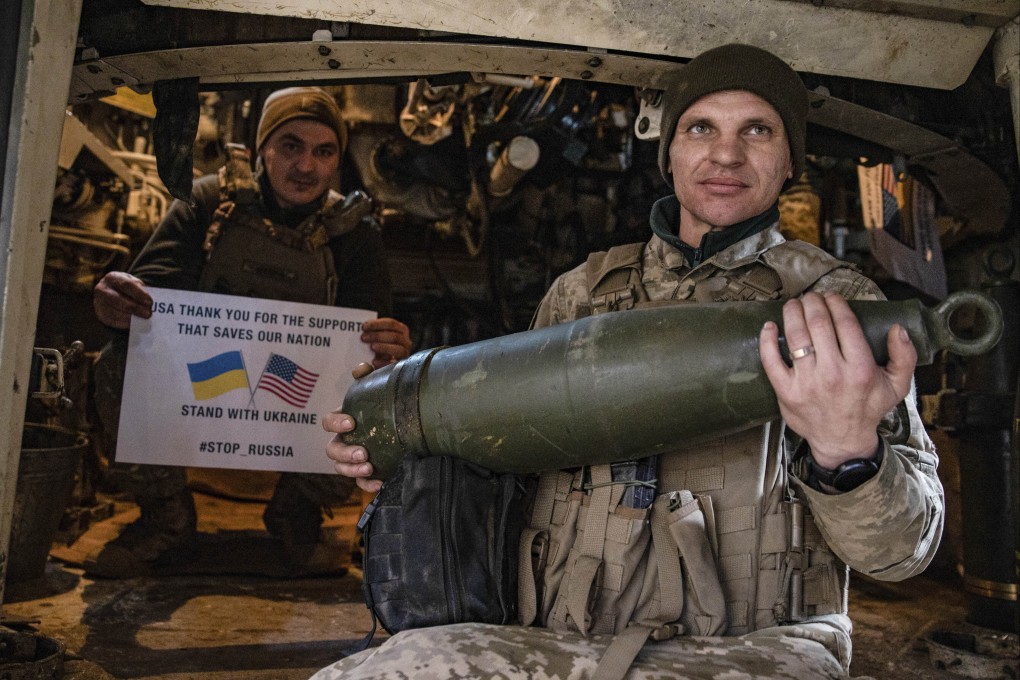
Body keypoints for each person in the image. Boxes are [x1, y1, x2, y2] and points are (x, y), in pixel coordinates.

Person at [315, 44, 942, 679]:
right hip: (559, 645)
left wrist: (848, 454)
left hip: (753, 653)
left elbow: (901, 555)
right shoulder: (580, 294)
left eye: (757, 129)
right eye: (701, 127)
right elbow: (497, 461)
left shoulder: (839, 312)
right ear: (668, 153)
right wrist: (397, 443)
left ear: (789, 163)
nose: (726, 154)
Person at [87, 86, 412, 579]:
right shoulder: (207, 201)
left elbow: (372, 341)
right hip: (210, 381)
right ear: (262, 147)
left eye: (324, 152)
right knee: (119, 362)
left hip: (293, 390)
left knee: (377, 393)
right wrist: (114, 302)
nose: (306, 166)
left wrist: (392, 350)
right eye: (290, 146)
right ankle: (166, 517)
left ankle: (296, 513)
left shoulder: (355, 231)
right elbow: (148, 301)